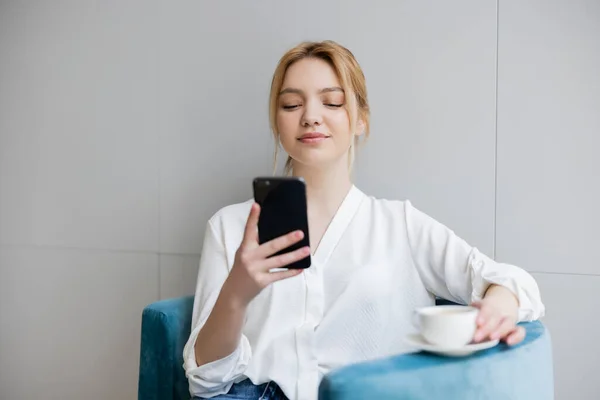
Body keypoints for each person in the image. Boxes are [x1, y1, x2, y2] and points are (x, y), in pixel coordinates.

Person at [182, 40, 545, 400]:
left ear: (360, 120)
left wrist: (499, 308)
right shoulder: (229, 227)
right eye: (292, 104)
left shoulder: (400, 225)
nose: (310, 115)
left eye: (332, 102)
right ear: (276, 121)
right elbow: (206, 381)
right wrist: (236, 293)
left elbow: (509, 280)